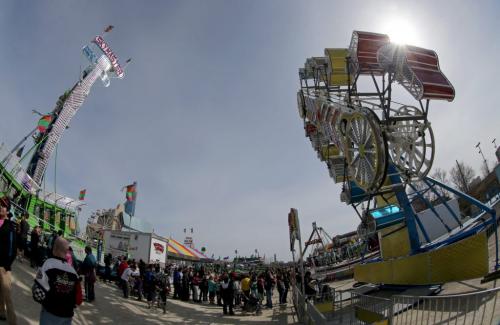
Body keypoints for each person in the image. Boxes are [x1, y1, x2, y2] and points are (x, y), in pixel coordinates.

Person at [33, 236, 82, 325]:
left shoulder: (47, 263)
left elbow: (38, 293)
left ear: (54, 248)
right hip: (67, 317)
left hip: (50, 314)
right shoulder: (73, 272)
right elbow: (78, 299)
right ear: (67, 251)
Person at [0, 197, 17, 324]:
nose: (1, 207)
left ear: (8, 210)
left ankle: (13, 321)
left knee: (7, 296)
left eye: (3, 206)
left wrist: (7, 265)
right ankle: (1, 312)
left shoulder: (10, 225)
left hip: (3, 266)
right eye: (0, 204)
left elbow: (12, 248)